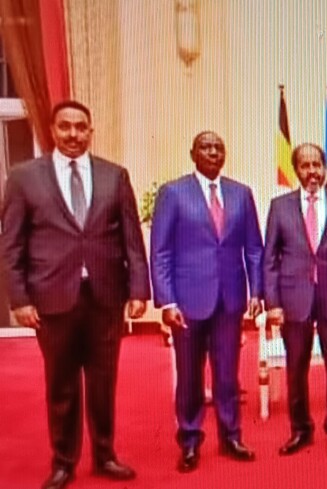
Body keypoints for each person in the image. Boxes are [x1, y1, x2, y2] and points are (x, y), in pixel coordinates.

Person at [0, 100, 150, 489]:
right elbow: (11, 246)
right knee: (61, 385)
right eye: (65, 126)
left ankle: (105, 454)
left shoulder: (114, 176)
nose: (73, 134)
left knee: (103, 383)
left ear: (90, 131)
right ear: (53, 130)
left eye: (81, 127)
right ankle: (64, 462)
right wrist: (19, 299)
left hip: (105, 297)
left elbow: (132, 239)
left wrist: (139, 289)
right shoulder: (24, 178)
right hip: (52, 300)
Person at [149, 131, 264, 473]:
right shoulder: (174, 193)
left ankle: (231, 436)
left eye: (218, 147)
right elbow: (161, 251)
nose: (213, 152)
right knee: (189, 376)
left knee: (227, 374)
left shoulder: (241, 194)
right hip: (187, 302)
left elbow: (254, 249)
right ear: (193, 153)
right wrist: (166, 301)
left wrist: (256, 291)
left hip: (230, 299)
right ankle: (189, 440)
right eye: (206, 147)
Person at [263, 143, 327, 456]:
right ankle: (300, 430)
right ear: (296, 170)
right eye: (305, 166)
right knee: (296, 367)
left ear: (324, 167)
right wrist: (273, 303)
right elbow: (269, 259)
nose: (312, 172)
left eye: (316, 165)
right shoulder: (279, 207)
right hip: (294, 299)